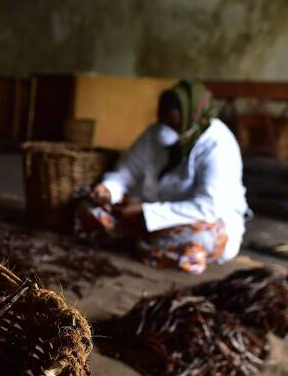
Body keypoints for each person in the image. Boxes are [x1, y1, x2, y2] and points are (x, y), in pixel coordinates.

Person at [76, 80, 249, 275]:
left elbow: (207, 207)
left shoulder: (217, 144)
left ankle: (141, 242)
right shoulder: (154, 134)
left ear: (190, 116)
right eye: (161, 120)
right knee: (89, 209)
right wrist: (108, 189)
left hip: (197, 220)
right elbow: (126, 172)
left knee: (199, 239)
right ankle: (144, 243)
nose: (164, 128)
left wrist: (146, 211)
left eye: (172, 123)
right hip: (143, 212)